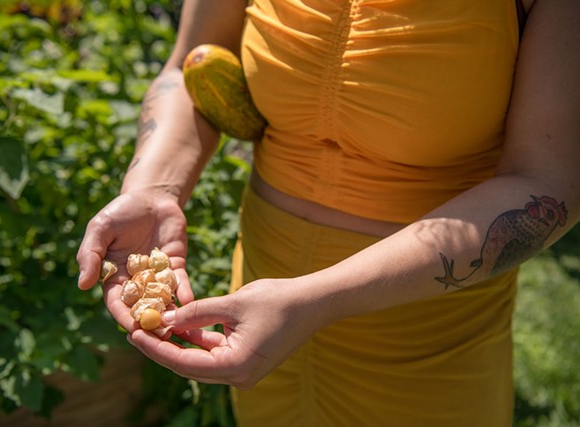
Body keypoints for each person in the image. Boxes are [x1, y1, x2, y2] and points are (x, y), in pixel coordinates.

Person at [76, 0, 580, 425]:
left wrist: (316, 299)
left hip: (421, 334)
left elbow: (550, 182)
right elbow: (190, 64)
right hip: (256, 288)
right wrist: (153, 189)